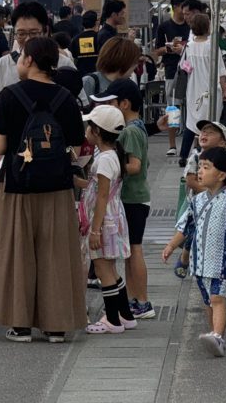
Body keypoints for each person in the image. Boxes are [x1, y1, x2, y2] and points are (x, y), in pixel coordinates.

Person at [0, 37, 87, 342]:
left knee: (18, 253)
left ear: (28, 60)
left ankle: (20, 324)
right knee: (55, 253)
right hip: (57, 186)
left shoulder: (9, 95)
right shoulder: (66, 98)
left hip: (18, 186)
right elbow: (75, 144)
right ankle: (56, 326)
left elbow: (0, 145)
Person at [164, 147, 226, 358]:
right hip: (200, 263)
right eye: (200, 167)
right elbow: (185, 227)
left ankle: (218, 335)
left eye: (206, 167)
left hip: (222, 261)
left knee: (217, 298)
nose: (200, 171)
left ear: (221, 175)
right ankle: (215, 334)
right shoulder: (196, 200)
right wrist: (171, 246)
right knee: (208, 300)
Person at [92, 79, 154, 320]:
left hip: (133, 197)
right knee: (131, 251)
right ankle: (135, 299)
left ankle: (142, 300)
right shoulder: (137, 127)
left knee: (134, 250)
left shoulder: (129, 131)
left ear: (124, 104)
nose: (109, 107)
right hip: (136, 197)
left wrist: (112, 168)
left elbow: (136, 165)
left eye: (112, 103)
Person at [0, 2, 50, 187]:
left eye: (34, 33)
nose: (27, 39)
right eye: (21, 33)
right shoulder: (0, 67)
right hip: (12, 163)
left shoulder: (64, 65)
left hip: (52, 163)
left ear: (46, 31)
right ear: (13, 33)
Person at [79, 105, 135, 334]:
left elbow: (101, 196)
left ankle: (111, 319)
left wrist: (95, 230)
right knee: (111, 268)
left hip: (103, 221)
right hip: (114, 216)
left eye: (89, 127)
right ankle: (125, 315)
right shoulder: (113, 155)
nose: (86, 131)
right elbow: (99, 188)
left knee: (102, 269)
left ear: (98, 132)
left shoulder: (103, 160)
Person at [173, 120, 226, 279]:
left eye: (210, 133)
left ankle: (213, 261)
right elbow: (191, 181)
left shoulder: (225, 159)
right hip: (197, 204)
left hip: (218, 204)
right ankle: (184, 256)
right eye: (203, 132)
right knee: (193, 231)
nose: (204, 135)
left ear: (222, 141)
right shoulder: (195, 157)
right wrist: (210, 193)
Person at [179, 14, 226, 163]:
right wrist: (225, 90)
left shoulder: (189, 46)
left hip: (194, 89)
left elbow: (183, 66)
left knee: (192, 122)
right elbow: (221, 71)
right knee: (211, 121)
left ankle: (183, 155)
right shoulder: (212, 46)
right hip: (211, 89)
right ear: (208, 26)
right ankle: (205, 152)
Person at [156, 0, 191, 157]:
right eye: (183, 8)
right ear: (176, 7)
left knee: (191, 106)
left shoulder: (190, 26)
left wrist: (184, 48)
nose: (185, 12)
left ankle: (192, 143)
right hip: (171, 70)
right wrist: (169, 48)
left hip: (190, 70)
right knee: (173, 107)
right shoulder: (164, 27)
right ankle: (172, 144)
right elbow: (156, 51)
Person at [83, 36, 141, 102]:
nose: (136, 66)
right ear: (125, 61)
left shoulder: (128, 85)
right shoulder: (89, 82)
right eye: (134, 62)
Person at [70, 10, 101, 76]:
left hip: (80, 74)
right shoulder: (99, 37)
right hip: (97, 74)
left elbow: (73, 57)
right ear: (96, 23)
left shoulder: (75, 39)